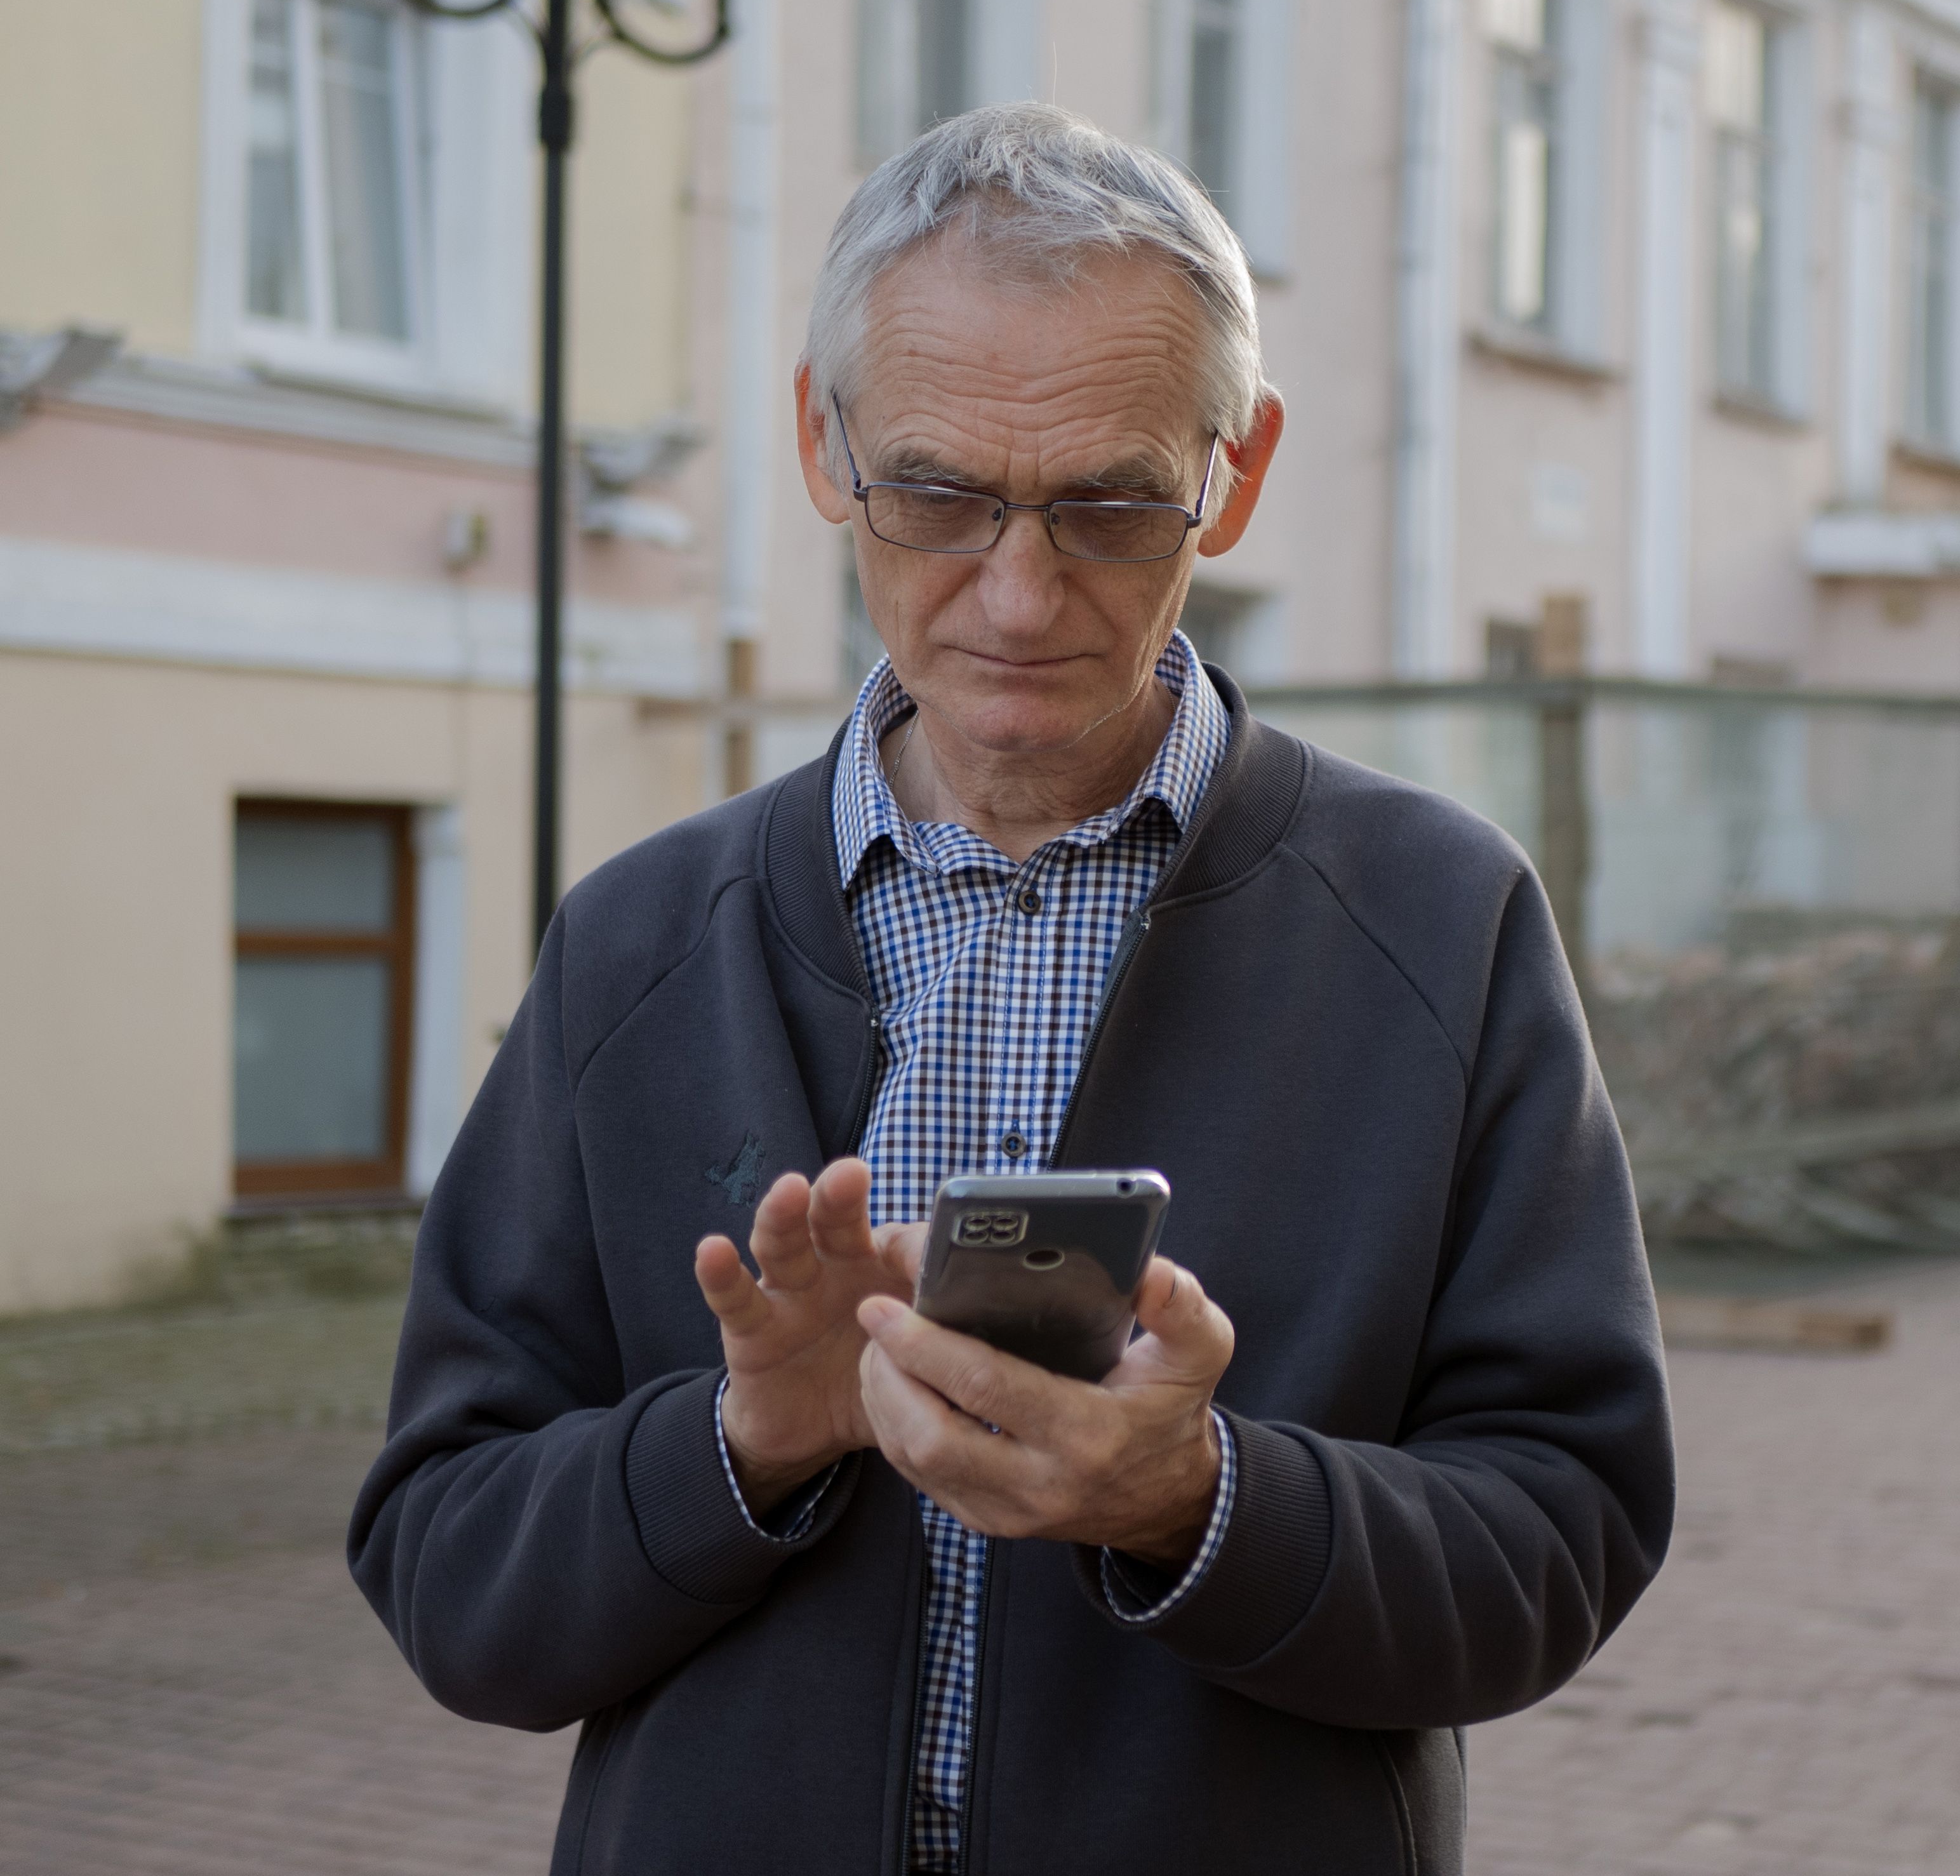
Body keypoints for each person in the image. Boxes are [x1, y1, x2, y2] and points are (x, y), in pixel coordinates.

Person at [350, 103, 1675, 1875]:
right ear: (824, 447)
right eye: (938, 495)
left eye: (1115, 504)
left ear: (1238, 468)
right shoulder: (637, 944)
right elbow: (451, 1570)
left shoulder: (1439, 924)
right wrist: (745, 1441)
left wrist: (1203, 1506)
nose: (1020, 591)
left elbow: (1564, 1532)